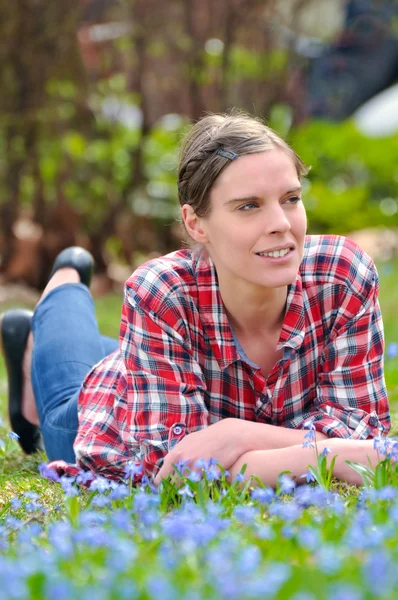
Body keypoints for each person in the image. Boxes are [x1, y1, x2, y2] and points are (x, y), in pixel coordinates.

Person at [0, 112, 391, 488]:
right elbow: (177, 469)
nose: (282, 224)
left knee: (128, 355)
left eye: (290, 198)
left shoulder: (342, 276)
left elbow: (363, 432)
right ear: (195, 223)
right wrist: (334, 454)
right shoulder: (160, 292)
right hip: (114, 418)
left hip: (161, 372)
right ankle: (64, 284)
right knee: (63, 397)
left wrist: (234, 436)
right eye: (248, 206)